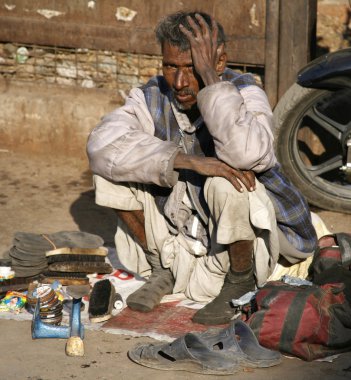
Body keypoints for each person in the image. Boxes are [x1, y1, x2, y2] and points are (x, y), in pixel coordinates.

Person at [87, 11, 318, 325]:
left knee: (230, 180)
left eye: (191, 68)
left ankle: (240, 279)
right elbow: (101, 145)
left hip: (236, 242)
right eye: (171, 67)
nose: (180, 82)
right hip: (177, 234)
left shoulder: (245, 92)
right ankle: (162, 269)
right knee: (108, 173)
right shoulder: (151, 96)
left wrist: (211, 79)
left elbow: (249, 154)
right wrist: (184, 160)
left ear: (218, 62)